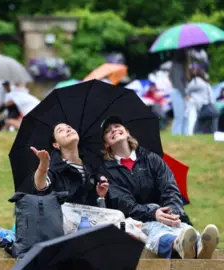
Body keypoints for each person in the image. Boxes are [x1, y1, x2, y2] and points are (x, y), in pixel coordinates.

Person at [101, 116, 219, 259]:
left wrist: (172, 213)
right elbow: (124, 203)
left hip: (166, 216)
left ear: (127, 132)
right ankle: (180, 245)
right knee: (155, 228)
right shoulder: (106, 171)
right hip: (136, 222)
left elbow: (170, 189)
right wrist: (154, 213)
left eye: (117, 126)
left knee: (183, 228)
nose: (114, 130)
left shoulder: (152, 159)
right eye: (108, 131)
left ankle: (201, 246)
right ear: (106, 143)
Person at [30, 123, 109, 207]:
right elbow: (40, 186)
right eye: (60, 130)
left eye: (69, 127)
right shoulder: (55, 168)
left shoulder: (91, 168)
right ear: (56, 144)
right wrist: (43, 165)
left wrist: (100, 196)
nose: (68, 130)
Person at [185, 69, 218, 135]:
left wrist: (188, 95)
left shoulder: (196, 81)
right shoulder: (206, 83)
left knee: (196, 129)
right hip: (214, 109)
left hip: (205, 109)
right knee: (212, 131)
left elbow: (187, 90)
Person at [169, 51, 190, 135]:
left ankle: (184, 134)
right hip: (178, 92)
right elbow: (178, 82)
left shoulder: (178, 66)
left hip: (179, 92)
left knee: (184, 116)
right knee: (179, 116)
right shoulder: (177, 66)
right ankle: (176, 133)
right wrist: (185, 94)